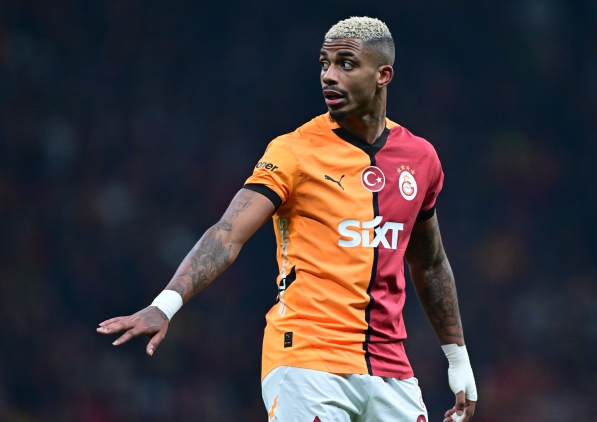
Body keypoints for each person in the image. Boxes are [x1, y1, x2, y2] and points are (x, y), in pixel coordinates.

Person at [97, 16, 477, 422]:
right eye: (324, 64)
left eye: (346, 64)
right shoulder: (294, 151)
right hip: (307, 359)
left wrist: (458, 360)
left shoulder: (420, 159)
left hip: (390, 368)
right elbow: (228, 233)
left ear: (383, 75)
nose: (329, 76)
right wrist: (165, 304)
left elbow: (430, 263)